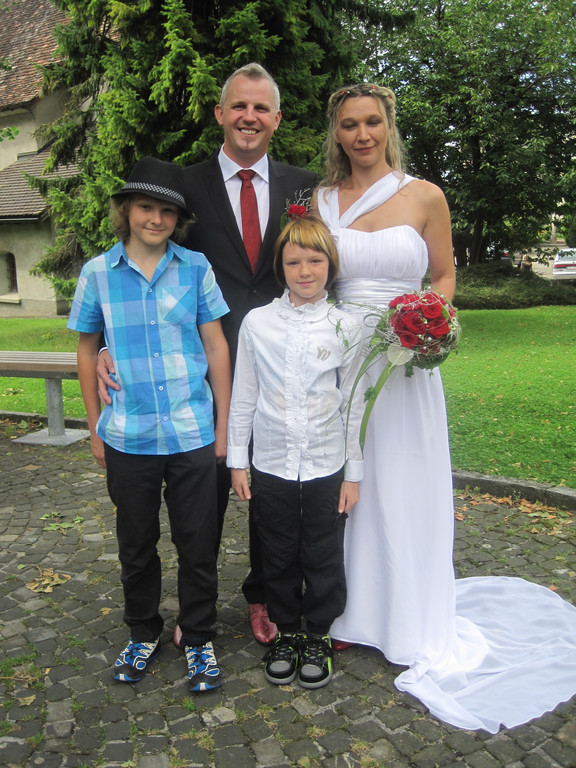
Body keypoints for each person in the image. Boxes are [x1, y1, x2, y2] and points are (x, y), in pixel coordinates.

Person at [315, 83, 576, 731]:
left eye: (372, 122)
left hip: (405, 361)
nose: (362, 134)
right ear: (336, 133)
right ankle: (348, 611)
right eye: (349, 124)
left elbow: (444, 274)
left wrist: (430, 321)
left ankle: (409, 617)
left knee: (403, 480)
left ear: (388, 126)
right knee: (346, 483)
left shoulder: (426, 196)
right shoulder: (320, 201)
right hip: (341, 359)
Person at [96, 63, 318, 646]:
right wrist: (104, 347)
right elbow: (138, 265)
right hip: (202, 370)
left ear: (276, 118)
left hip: (283, 365)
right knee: (205, 496)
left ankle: (264, 595)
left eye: (261, 108)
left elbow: (318, 265)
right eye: (239, 106)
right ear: (220, 113)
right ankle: (199, 608)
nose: (250, 117)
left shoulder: (305, 187)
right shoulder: (184, 186)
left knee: (273, 490)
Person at [68, 157, 231, 693]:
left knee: (197, 541)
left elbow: (216, 346)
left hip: (191, 432)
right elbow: (87, 348)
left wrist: (223, 426)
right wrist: (95, 426)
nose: (155, 219)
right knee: (136, 544)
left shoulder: (196, 268)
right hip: (128, 435)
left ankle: (199, 636)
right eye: (145, 207)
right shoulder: (97, 273)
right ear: (126, 210)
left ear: (178, 219)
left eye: (167, 211)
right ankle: (143, 631)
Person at [227, 214, 364, 689]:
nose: (305, 271)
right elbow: (244, 395)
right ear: (280, 268)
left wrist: (353, 473)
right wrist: (237, 461)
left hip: (327, 463)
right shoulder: (257, 323)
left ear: (331, 265)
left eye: (315, 260)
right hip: (271, 462)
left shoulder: (346, 326)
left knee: (323, 551)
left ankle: (319, 633)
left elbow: (354, 403)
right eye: (293, 262)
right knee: (279, 552)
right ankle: (287, 632)